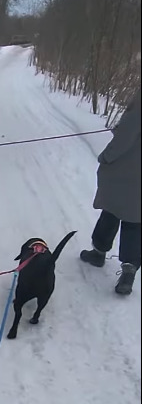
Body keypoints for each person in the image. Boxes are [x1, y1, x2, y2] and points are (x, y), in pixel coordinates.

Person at [80, 86, 141, 295]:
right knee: (134, 218)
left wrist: (107, 157)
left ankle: (99, 253)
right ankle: (127, 271)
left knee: (114, 209)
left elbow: (127, 135)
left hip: (129, 169)